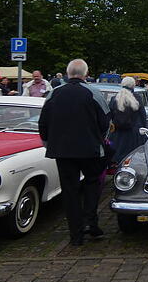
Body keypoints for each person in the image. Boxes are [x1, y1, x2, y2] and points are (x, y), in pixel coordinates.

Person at [38, 59, 110, 246]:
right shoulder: (93, 93)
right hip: (90, 149)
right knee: (92, 186)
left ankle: (75, 234)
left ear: (68, 73)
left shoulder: (53, 94)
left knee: (69, 191)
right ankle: (91, 223)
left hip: (62, 150)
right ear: (85, 74)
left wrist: (48, 144)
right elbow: (105, 121)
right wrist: (99, 139)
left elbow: (43, 122)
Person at [109, 77, 147, 164]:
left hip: (117, 134)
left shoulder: (114, 99)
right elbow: (142, 117)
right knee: (132, 158)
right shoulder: (137, 98)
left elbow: (110, 117)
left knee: (117, 158)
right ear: (133, 86)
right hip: (133, 134)